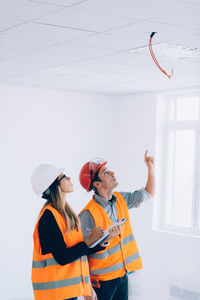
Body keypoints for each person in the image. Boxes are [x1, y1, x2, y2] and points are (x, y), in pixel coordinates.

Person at [78, 150, 155, 300]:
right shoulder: (87, 215)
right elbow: (82, 255)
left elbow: (148, 193)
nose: (112, 173)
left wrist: (151, 168)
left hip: (123, 276)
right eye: (106, 172)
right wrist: (87, 288)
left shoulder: (121, 199)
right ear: (97, 184)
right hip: (102, 282)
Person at [31, 163, 106, 300]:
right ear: (55, 185)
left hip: (67, 293)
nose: (69, 178)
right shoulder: (48, 218)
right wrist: (89, 241)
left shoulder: (66, 214)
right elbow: (62, 257)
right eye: (63, 177)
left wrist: (99, 242)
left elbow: (77, 251)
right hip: (55, 295)